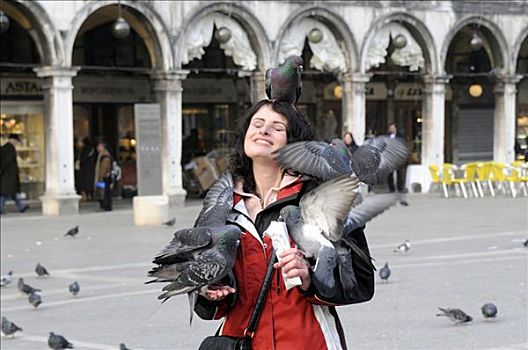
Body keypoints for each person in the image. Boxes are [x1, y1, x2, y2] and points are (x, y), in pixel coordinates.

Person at [194, 100, 374, 349]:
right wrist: (208, 290)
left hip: (307, 341)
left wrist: (311, 278)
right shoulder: (223, 205)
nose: (264, 130)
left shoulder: (322, 196)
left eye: (277, 127)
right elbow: (209, 307)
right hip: (242, 342)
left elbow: (362, 283)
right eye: (257, 124)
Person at [0, 134, 29, 214]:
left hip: (7, 175)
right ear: (13, 140)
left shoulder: (5, 148)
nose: (17, 143)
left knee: (12, 193)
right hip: (8, 175)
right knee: (4, 193)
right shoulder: (10, 148)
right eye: (16, 141)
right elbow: (7, 162)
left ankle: (21, 207)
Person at [387, 123, 407, 193]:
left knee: (399, 173)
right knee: (389, 174)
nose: (391, 129)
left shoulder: (400, 136)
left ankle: (400, 188)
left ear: (395, 128)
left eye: (392, 128)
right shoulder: (386, 136)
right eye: (390, 128)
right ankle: (391, 188)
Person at [94, 140, 113, 211]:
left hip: (104, 177)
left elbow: (105, 166)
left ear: (102, 146)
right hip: (103, 176)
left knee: (104, 191)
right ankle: (104, 205)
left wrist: (102, 175)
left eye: (99, 146)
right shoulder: (101, 154)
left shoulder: (104, 155)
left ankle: (107, 205)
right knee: (103, 191)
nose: (97, 148)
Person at [77, 137, 97, 201]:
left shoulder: (84, 149)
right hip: (91, 168)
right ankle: (90, 196)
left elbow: (83, 159)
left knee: (83, 183)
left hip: (84, 169)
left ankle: (84, 196)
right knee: (90, 182)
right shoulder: (93, 149)